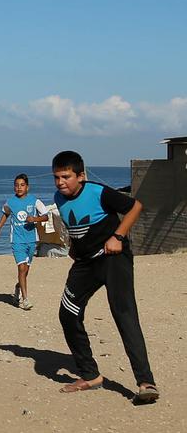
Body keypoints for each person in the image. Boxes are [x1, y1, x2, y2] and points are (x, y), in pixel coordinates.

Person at [50, 150, 158, 403]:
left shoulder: (98, 192)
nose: (60, 182)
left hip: (113, 259)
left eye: (66, 176)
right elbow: (75, 226)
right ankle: (90, 374)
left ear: (81, 175)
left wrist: (117, 237)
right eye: (56, 177)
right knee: (68, 313)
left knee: (124, 314)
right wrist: (75, 249)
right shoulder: (59, 197)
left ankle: (146, 382)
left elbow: (135, 207)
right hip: (86, 264)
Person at [0, 173, 49, 309]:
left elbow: (45, 217)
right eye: (16, 185)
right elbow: (5, 214)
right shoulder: (10, 202)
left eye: (22, 185)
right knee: (21, 268)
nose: (19, 188)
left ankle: (18, 287)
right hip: (16, 240)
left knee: (26, 271)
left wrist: (34, 219)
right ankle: (25, 299)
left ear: (27, 187)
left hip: (31, 240)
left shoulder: (35, 201)